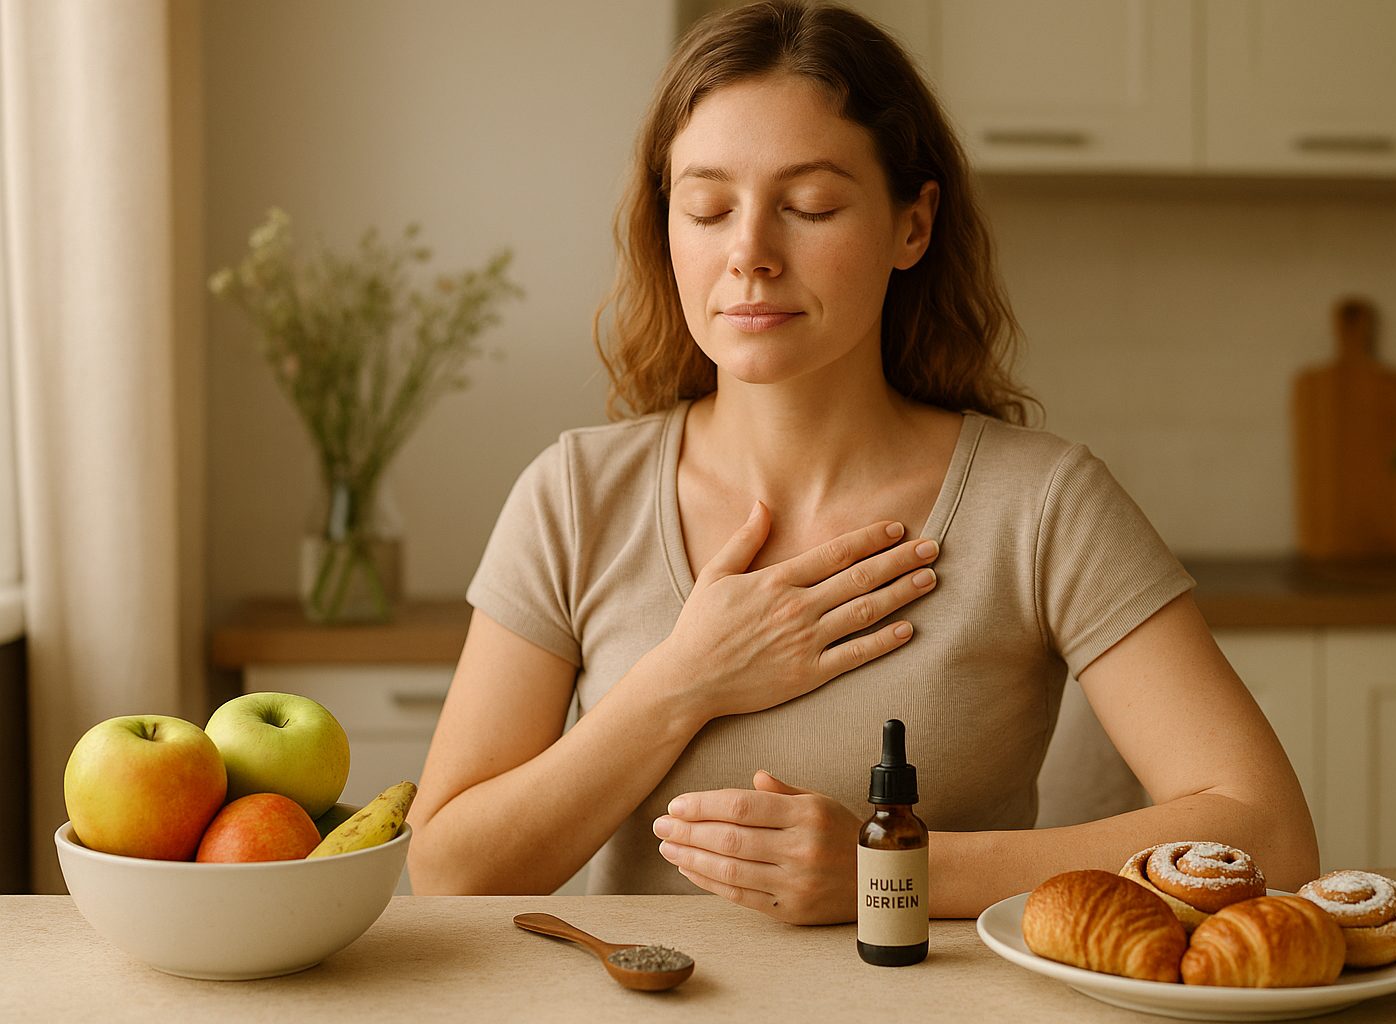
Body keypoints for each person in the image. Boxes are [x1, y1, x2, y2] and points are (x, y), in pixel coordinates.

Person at [406, 1, 1317, 922]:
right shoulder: (572, 497)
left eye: (809, 206)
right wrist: (681, 682)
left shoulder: (1043, 503)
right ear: (666, 226)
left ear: (912, 226)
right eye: (709, 207)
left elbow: (1269, 834)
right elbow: (449, 873)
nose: (749, 253)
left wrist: (892, 873)